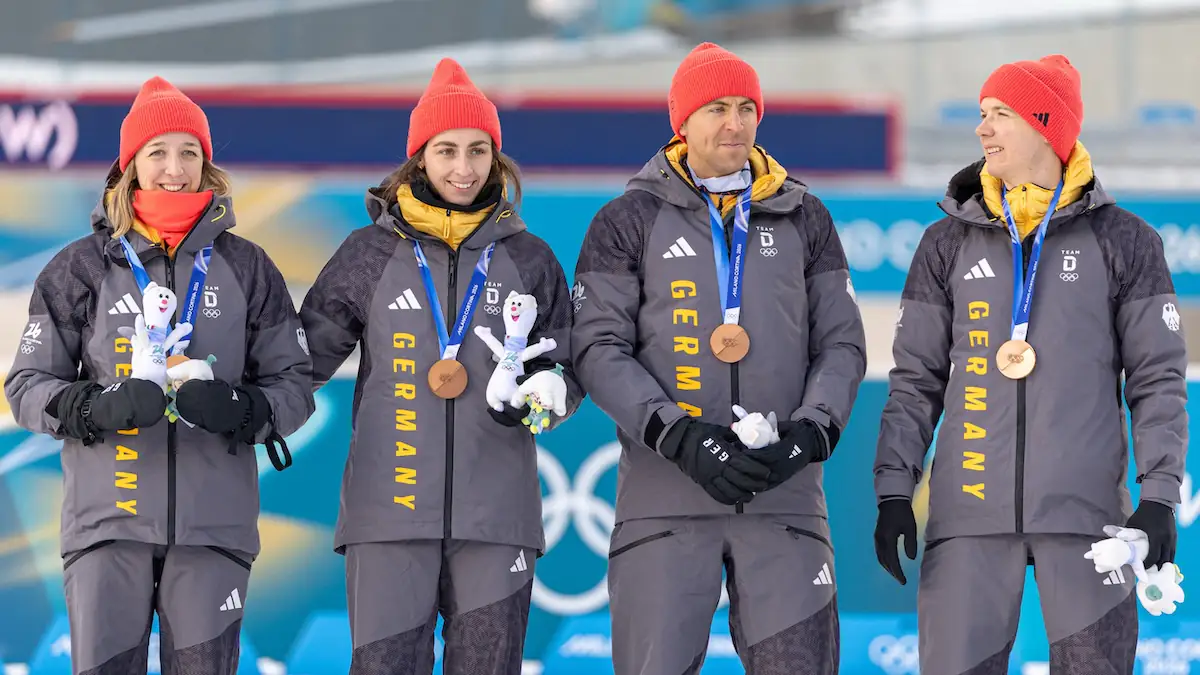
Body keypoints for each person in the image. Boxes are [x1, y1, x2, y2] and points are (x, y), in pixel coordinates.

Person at [873, 54, 1187, 674]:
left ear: (1047, 125)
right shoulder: (947, 242)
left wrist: (1159, 495)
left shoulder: (1126, 241)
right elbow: (915, 383)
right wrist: (892, 490)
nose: (982, 130)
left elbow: (1156, 383)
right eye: (982, 115)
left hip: (1089, 522)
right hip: (967, 517)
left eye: (1000, 115)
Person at [571, 42, 866, 674]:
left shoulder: (804, 216)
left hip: (783, 500)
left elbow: (842, 343)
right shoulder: (626, 220)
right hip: (664, 502)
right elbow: (597, 348)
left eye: (745, 108)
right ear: (682, 121)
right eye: (715, 108)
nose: (733, 123)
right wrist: (677, 436)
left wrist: (809, 434)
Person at [3, 76, 315, 674]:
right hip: (106, 529)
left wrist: (245, 411)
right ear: (130, 166)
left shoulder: (247, 267)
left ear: (207, 166)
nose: (174, 169)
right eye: (158, 153)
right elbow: (25, 387)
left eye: (189, 153)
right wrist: (92, 407)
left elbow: (293, 381)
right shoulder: (80, 268)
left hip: (212, 532)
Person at [299, 58, 582, 675]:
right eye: (447, 149)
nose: (463, 167)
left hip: (497, 517)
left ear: (496, 159)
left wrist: (550, 391)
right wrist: (238, 403)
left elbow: (567, 366)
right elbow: (299, 363)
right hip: (388, 515)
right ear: (418, 158)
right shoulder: (368, 254)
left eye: (478, 150)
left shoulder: (529, 258)